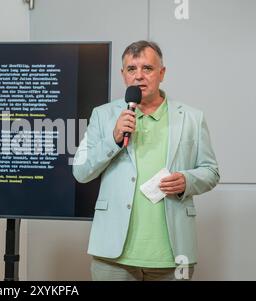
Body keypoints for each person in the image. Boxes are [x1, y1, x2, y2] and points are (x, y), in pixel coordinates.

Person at [72, 41, 219, 281]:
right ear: (123, 75)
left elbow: (211, 172)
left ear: (162, 73)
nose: (139, 76)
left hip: (172, 256)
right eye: (131, 69)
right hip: (113, 256)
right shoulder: (103, 115)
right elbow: (81, 171)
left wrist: (187, 180)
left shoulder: (191, 118)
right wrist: (114, 139)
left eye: (147, 68)